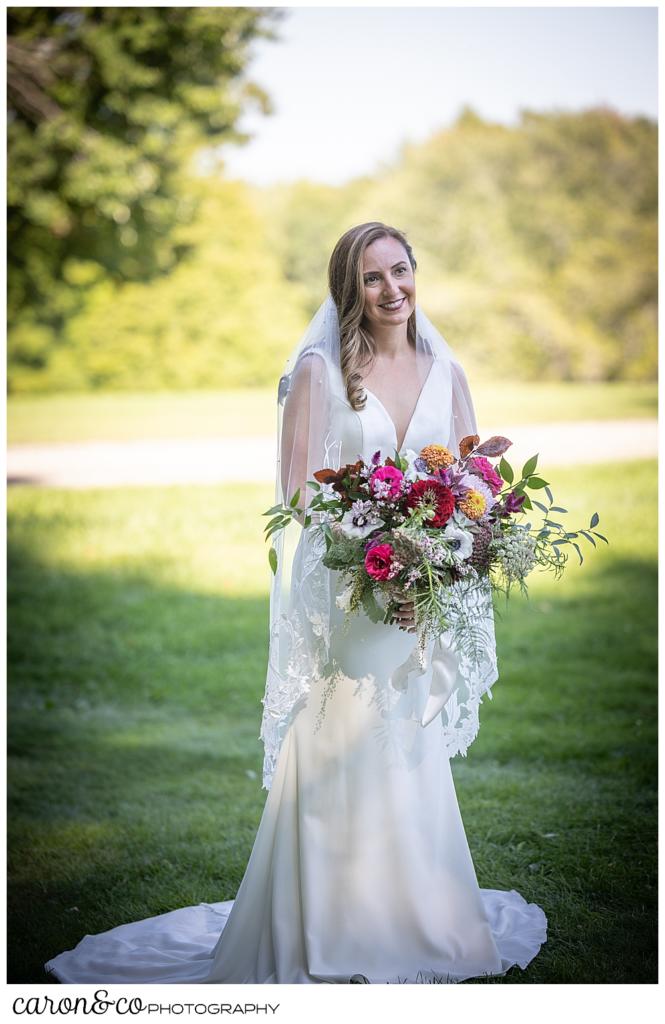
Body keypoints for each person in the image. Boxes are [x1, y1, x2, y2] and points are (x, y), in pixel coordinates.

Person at [44, 222, 547, 985]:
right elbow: (299, 498)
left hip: (424, 595)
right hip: (352, 590)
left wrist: (448, 558)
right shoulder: (320, 370)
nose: (391, 290)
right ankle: (325, 924)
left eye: (401, 271)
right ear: (347, 289)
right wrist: (381, 562)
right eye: (371, 278)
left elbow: (474, 485)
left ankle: (414, 910)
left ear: (417, 274)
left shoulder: (446, 369)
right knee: (340, 736)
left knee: (406, 736)